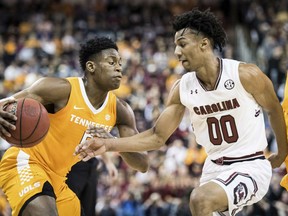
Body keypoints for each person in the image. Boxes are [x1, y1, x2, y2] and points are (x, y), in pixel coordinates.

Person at [75, 9, 288, 216]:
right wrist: (110, 144)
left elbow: (274, 109)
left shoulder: (245, 74)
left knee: (200, 199)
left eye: (182, 44)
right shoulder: (182, 88)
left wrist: (282, 152)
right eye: (175, 45)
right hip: (213, 170)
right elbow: (157, 137)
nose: (177, 52)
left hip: (249, 165)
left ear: (204, 44)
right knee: (199, 202)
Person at [0, 36, 149, 216]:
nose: (119, 67)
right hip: (25, 162)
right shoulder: (60, 89)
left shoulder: (121, 110)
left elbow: (142, 164)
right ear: (91, 67)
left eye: (120, 62)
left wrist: (113, 142)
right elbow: (7, 105)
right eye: (111, 62)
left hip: (59, 179)